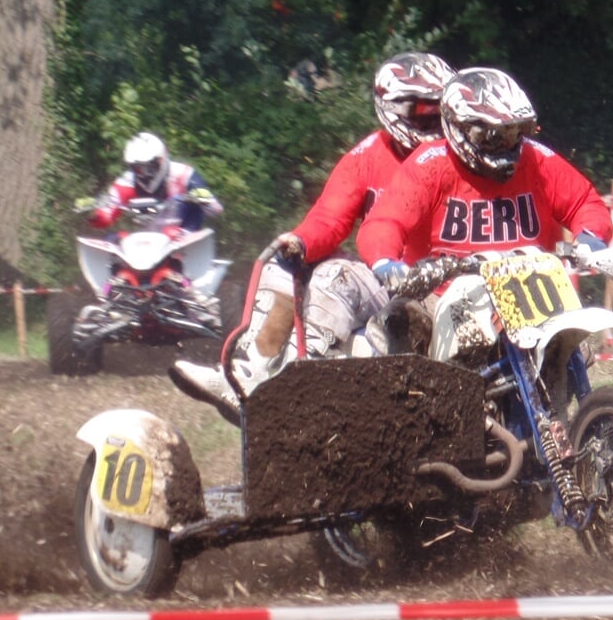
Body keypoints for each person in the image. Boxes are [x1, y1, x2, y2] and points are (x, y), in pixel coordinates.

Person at [170, 51, 453, 418]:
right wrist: (300, 242)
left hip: (448, 278)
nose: (436, 120)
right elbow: (329, 218)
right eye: (426, 112)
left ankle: (301, 386)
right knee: (283, 267)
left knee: (331, 274)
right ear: (394, 109)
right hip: (388, 276)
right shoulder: (365, 157)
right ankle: (253, 378)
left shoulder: (461, 156)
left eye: (442, 109)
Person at [358, 67, 613, 280]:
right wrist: (385, 261)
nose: (508, 143)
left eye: (515, 132)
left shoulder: (536, 158)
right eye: (495, 135)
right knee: (402, 320)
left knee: (575, 343)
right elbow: (386, 220)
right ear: (460, 127)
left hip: (532, 287)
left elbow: (583, 201)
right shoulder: (430, 164)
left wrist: (589, 237)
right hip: (446, 293)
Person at [90, 133, 221, 234]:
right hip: (147, 242)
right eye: (137, 168)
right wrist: (96, 214)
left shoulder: (183, 174)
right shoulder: (127, 181)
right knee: (114, 239)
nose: (142, 173)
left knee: (182, 211)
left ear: (160, 161)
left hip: (185, 239)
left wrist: (203, 199)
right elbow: (108, 210)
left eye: (147, 168)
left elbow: (216, 209)